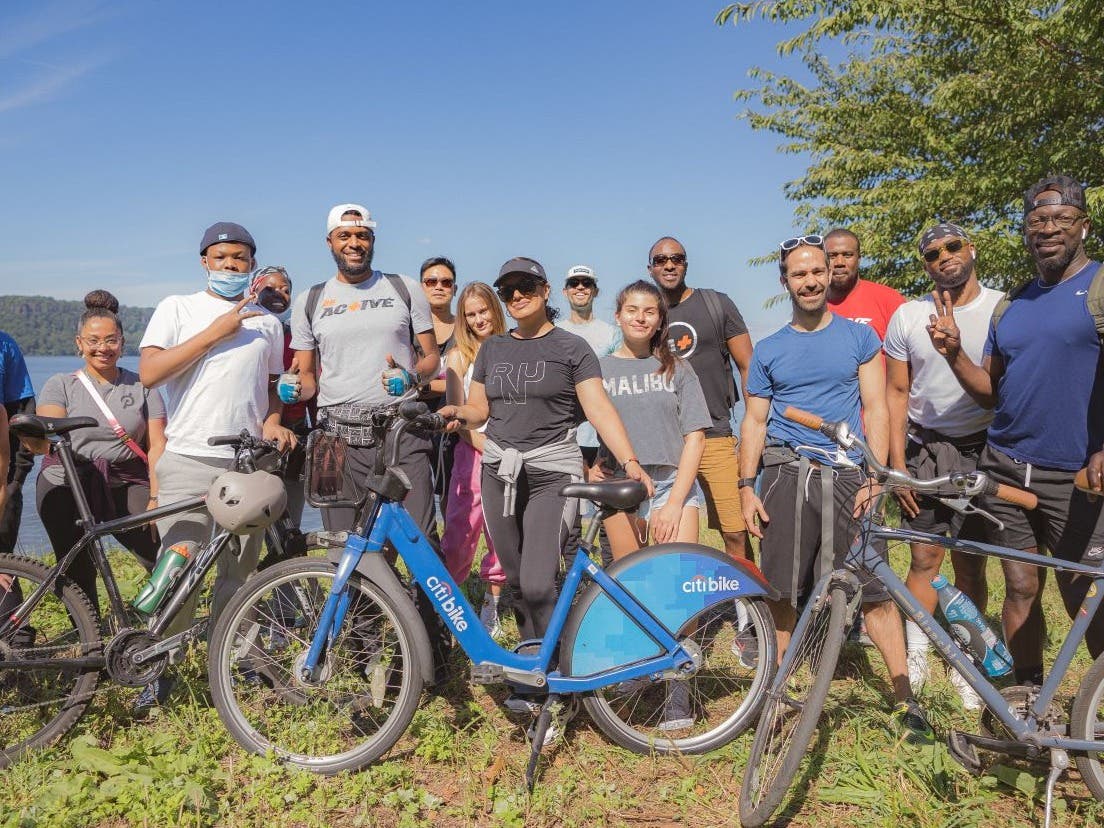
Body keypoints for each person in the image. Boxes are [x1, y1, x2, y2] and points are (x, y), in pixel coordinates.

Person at [441, 257, 652, 721]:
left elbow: (598, 408)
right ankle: (531, 671)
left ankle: (560, 674)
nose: (516, 296)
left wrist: (631, 461)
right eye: (508, 289)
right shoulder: (493, 349)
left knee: (539, 581)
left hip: (553, 471)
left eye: (526, 286)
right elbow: (479, 408)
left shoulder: (572, 348)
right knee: (516, 583)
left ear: (545, 290)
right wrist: (457, 414)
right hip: (499, 471)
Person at [738, 235, 930, 739]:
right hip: (785, 473)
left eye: (816, 271)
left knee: (873, 587)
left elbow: (876, 407)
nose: (809, 280)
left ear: (829, 274)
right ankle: (776, 692)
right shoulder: (770, 349)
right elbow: (754, 423)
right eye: (798, 274)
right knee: (781, 590)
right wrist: (745, 485)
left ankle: (904, 698)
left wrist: (877, 473)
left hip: (849, 473)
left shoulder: (859, 338)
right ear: (785, 282)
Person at [933, 174, 1104, 679]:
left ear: (1084, 227)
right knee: (1021, 587)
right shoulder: (1014, 303)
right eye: (1038, 220)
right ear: (1026, 231)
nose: (1048, 228)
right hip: (1005, 467)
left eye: (1061, 219)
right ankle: (1026, 702)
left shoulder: (1097, 287)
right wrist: (953, 353)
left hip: (1073, 478)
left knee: (1084, 594)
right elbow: (991, 391)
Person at [286, 204, 450, 680]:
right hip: (336, 439)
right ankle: (362, 660)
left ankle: (431, 658)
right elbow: (308, 377)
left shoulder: (404, 288)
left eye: (361, 235)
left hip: (399, 434)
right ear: (330, 242)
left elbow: (431, 358)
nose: (353, 243)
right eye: (344, 235)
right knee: (345, 551)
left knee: (419, 544)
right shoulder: (312, 300)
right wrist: (293, 388)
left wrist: (409, 376)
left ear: (372, 240)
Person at [138, 221, 293, 708]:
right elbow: (149, 373)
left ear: (252, 264)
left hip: (246, 464)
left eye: (240, 258)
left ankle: (229, 664)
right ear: (205, 261)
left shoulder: (268, 323)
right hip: (186, 458)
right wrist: (213, 333)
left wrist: (273, 420)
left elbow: (271, 389)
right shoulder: (177, 308)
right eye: (221, 257)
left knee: (239, 574)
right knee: (178, 569)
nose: (230, 265)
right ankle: (158, 670)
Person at [884, 223, 1003, 710]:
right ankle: (918, 655)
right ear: (925, 264)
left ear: (971, 250)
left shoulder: (1000, 308)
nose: (944, 257)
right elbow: (896, 392)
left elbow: (1002, 386)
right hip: (924, 450)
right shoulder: (908, 315)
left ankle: (967, 658)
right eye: (933, 253)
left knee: (971, 561)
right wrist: (896, 466)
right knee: (923, 559)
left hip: (983, 448)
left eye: (953, 246)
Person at [22, 292, 166, 606]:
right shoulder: (61, 383)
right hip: (68, 479)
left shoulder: (143, 386)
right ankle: (88, 641)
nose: (103, 348)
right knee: (77, 571)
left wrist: (156, 497)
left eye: (111, 340)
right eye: (93, 340)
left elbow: (157, 445)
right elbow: (49, 430)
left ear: (123, 342)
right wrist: (35, 438)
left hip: (126, 480)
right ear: (79, 343)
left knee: (163, 558)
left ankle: (152, 629)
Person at [648, 237, 752, 560]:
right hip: (667, 442)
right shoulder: (647, 314)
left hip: (716, 435)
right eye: (661, 259)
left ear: (686, 264)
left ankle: (746, 607)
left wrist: (752, 425)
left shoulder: (716, 304)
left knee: (735, 532)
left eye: (676, 258)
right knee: (667, 532)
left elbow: (747, 365)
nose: (669, 264)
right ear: (650, 268)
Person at [595, 280, 709, 557]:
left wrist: (674, 503)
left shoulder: (678, 368)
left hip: (672, 482)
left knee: (678, 579)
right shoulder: (600, 370)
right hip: (621, 483)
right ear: (618, 316)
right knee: (632, 585)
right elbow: (574, 424)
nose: (640, 318)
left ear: (659, 321)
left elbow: (696, 438)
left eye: (649, 312)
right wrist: (589, 466)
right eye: (632, 310)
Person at [440, 282, 508, 637]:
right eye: (471, 314)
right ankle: (450, 608)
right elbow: (457, 417)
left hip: (509, 452)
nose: (479, 319)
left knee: (502, 532)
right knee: (459, 533)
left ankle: (492, 606)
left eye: (484, 311)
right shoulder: (458, 355)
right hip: (472, 451)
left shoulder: (512, 347)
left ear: (494, 310)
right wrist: (482, 443)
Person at [558, 265, 620, 564]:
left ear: (595, 290)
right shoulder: (555, 333)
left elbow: (614, 388)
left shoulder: (611, 333)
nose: (580, 288)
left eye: (586, 283)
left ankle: (610, 576)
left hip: (601, 435)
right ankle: (572, 578)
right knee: (569, 514)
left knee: (608, 511)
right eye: (574, 283)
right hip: (566, 435)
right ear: (564, 291)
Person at [250, 266, 313, 539]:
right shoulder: (245, 332)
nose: (280, 294)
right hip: (254, 428)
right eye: (271, 288)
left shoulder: (298, 336)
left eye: (286, 290)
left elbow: (312, 383)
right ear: (254, 290)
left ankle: (287, 573)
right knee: (253, 512)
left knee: (290, 513)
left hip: (294, 431)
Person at [418, 256, 459, 514]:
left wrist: (427, 386)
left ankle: (452, 549)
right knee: (415, 492)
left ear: (455, 287)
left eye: (446, 281)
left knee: (451, 490)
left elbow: (474, 381)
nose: (439, 286)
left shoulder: (467, 327)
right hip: (416, 422)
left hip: (453, 423)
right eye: (431, 281)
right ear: (422, 287)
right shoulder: (409, 329)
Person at [824, 228, 906, 341]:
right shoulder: (813, 305)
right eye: (832, 256)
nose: (839, 263)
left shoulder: (889, 299)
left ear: (858, 259)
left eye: (847, 255)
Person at [0, 331, 34, 555]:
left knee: (4, 570)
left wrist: (16, 481)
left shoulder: (5, 346)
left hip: (4, 477)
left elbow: (22, 414)